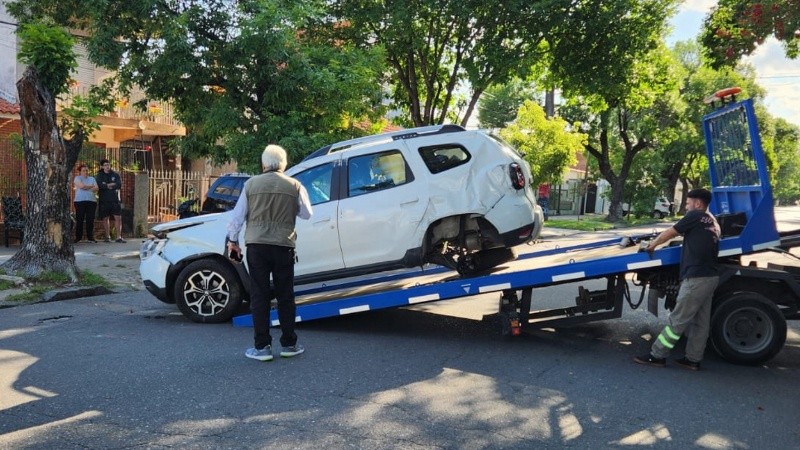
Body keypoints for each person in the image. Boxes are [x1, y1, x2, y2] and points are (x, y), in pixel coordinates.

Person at [227, 144, 313, 362]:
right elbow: (307, 214)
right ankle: (289, 344)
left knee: (259, 295)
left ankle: (262, 347)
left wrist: (233, 241)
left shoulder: (250, 185)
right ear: (284, 164)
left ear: (264, 163)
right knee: (286, 295)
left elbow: (237, 218)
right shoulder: (295, 185)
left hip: (256, 246)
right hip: (284, 245)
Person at [634, 188, 721, 371]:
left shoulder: (696, 216)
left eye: (688, 203)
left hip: (696, 278)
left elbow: (670, 232)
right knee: (701, 322)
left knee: (678, 319)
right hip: (710, 276)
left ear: (698, 204)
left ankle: (657, 355)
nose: (686, 207)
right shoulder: (712, 221)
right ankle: (693, 359)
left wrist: (652, 245)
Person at [96, 159, 126, 243]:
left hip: (115, 199)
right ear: (102, 166)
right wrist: (110, 185)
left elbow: (119, 185)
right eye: (105, 165)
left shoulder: (115, 174)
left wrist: (107, 185)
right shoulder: (99, 175)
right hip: (104, 200)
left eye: (108, 165)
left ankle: (118, 237)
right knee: (105, 218)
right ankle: (107, 236)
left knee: (118, 218)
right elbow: (99, 185)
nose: (107, 166)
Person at [73, 164, 99, 243]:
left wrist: (88, 187)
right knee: (79, 219)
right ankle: (78, 237)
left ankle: (90, 237)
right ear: (80, 172)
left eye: (87, 170)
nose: (86, 172)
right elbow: (82, 186)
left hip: (91, 201)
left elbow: (96, 188)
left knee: (90, 220)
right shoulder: (77, 178)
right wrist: (91, 186)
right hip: (79, 201)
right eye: (84, 170)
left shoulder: (92, 178)